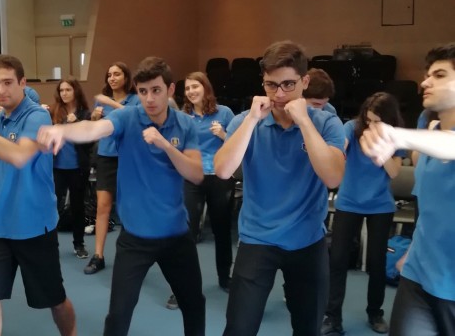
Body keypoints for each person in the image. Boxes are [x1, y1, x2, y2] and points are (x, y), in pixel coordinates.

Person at [38, 56, 206, 336]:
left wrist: (166, 146)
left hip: (177, 236)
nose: (149, 99)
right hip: (135, 240)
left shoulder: (185, 125)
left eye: (156, 90)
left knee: (194, 305)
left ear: (170, 89)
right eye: (142, 92)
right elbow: (94, 128)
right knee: (119, 314)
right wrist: (63, 131)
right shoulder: (128, 117)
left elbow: (196, 174)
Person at [214, 41, 345, 336]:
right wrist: (250, 119)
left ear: (305, 82)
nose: (280, 94)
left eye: (289, 84)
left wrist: (304, 122)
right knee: (238, 328)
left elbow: (333, 177)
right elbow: (223, 170)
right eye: (272, 85)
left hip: (307, 241)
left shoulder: (327, 124)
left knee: (307, 327)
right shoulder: (245, 122)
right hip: (258, 238)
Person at [0, 54, 76, 336]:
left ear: (22, 82)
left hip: (34, 226)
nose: (0, 90)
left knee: (54, 301)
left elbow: (19, 156)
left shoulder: (37, 115)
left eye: (8, 82)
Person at [360, 43, 455, 336]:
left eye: (439, 75)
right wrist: (413, 250)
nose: (425, 81)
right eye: (428, 74)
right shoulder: (429, 130)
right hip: (419, 276)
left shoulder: (423, 139)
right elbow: (430, 207)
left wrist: (396, 135)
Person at [322, 92, 404, 335]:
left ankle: (375, 313)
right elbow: (341, 151)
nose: (371, 126)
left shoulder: (396, 136)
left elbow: (394, 173)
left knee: (377, 264)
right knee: (337, 260)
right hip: (349, 202)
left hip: (380, 205)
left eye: (377, 121)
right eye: (368, 120)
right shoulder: (351, 127)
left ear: (388, 120)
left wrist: (381, 147)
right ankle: (332, 316)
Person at [167, 71, 235, 310]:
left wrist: (224, 134)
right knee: (187, 234)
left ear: (206, 88)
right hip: (192, 176)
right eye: (187, 88)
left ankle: (225, 277)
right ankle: (182, 287)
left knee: (222, 230)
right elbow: (175, 144)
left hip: (218, 176)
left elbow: (238, 146)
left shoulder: (225, 113)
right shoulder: (182, 117)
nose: (191, 91)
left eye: (195, 86)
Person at [84, 62, 139, 275]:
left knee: (128, 209)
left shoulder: (134, 100)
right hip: (106, 157)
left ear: (126, 77)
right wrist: (94, 119)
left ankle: (130, 256)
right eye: (109, 75)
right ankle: (98, 256)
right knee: (103, 207)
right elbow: (93, 132)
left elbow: (135, 117)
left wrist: (111, 103)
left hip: (129, 158)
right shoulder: (101, 105)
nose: (112, 78)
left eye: (117, 74)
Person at [48, 78, 92, 259]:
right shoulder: (53, 112)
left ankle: (79, 243)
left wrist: (75, 125)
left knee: (77, 207)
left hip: (77, 167)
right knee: (53, 206)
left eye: (68, 90)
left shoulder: (85, 114)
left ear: (76, 91)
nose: (64, 93)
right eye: (62, 90)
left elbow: (89, 142)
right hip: (57, 167)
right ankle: (51, 244)